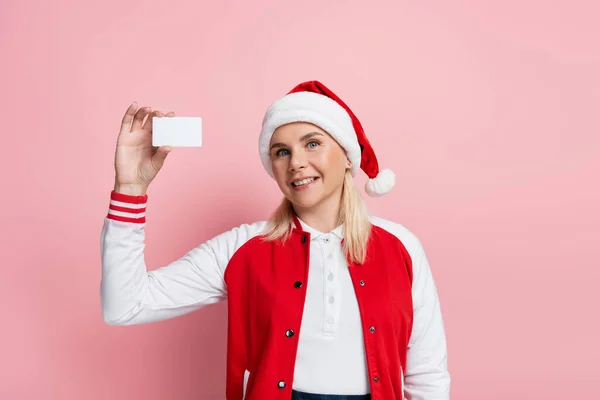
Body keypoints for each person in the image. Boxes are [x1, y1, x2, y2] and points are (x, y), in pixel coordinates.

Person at [100, 80, 451, 400]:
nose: (296, 162)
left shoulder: (402, 247)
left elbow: (427, 377)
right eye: (281, 152)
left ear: (347, 155)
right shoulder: (243, 248)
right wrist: (130, 189)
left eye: (312, 143)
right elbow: (125, 305)